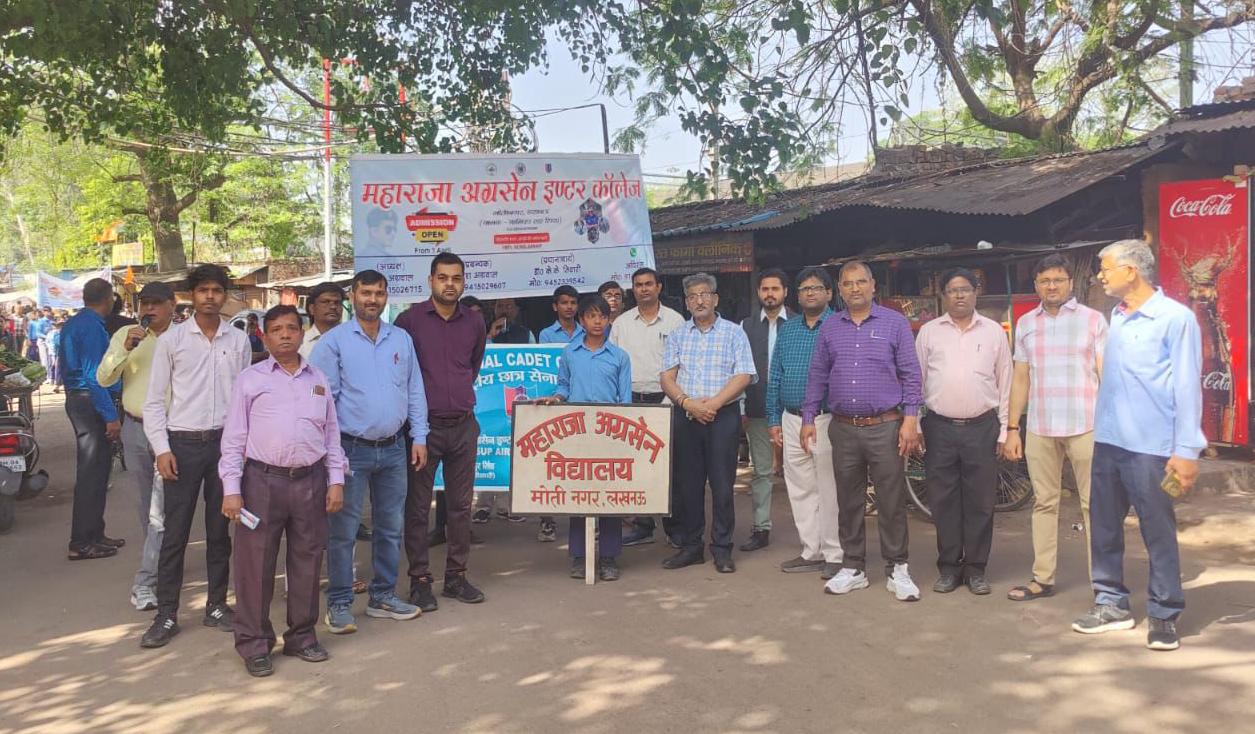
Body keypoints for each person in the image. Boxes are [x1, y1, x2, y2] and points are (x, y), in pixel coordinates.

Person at [1071, 240, 1205, 652]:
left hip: (1151, 448)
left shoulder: (1175, 319)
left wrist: (1187, 450)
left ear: (1131, 271)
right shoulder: (1118, 316)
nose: (1100, 275)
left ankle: (1164, 612)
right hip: (1108, 441)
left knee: (1157, 530)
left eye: (1106, 268)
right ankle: (1111, 603)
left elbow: (1188, 387)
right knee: (1104, 528)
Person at [218, 305, 347, 677]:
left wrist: (336, 480)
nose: (286, 335)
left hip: (310, 481)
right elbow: (234, 438)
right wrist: (231, 489)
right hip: (261, 482)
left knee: (307, 560)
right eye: (277, 329)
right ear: (265, 335)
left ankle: (302, 636)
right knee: (255, 565)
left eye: (292, 328)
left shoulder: (318, 379)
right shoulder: (250, 380)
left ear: (303, 333)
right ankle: (255, 643)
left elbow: (331, 435)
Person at [310, 269, 430, 635]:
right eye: (365, 293)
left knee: (390, 527)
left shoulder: (401, 339)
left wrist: (420, 436)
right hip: (350, 450)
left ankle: (382, 597)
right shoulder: (333, 343)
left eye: (378, 293)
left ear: (386, 296)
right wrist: (330, 455)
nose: (372, 299)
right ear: (353, 296)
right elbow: (323, 403)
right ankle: (339, 604)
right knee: (343, 532)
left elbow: (414, 389)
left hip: (394, 449)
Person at [140, 264, 253, 649]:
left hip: (224, 445)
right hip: (182, 445)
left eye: (216, 290)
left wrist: (241, 451)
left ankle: (217, 605)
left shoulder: (238, 341)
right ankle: (166, 614)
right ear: (191, 295)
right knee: (175, 533)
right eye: (203, 290)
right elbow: (154, 402)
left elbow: (244, 401)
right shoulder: (172, 340)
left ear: (225, 296)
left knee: (220, 530)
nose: (210, 297)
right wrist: (162, 449)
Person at [801, 261, 923, 602]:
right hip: (843, 428)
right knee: (848, 500)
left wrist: (911, 419)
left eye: (860, 282)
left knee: (891, 500)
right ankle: (853, 567)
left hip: (885, 426)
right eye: (848, 283)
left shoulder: (894, 323)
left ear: (873, 286)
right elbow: (818, 374)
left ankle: (897, 568)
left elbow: (911, 374)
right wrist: (809, 417)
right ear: (839, 290)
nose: (854, 288)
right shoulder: (831, 327)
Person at [1003, 255, 1107, 602]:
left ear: (1070, 283)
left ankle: (1104, 584)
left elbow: (1106, 373)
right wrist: (1013, 427)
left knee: (1094, 505)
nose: (1052, 286)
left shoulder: (1093, 320)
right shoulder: (1026, 323)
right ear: (1036, 285)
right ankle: (1042, 578)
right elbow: (1021, 378)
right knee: (1044, 503)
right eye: (1045, 280)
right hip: (1041, 426)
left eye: (1058, 280)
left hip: (1086, 424)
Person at [394, 252, 488, 612]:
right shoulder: (410, 321)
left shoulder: (474, 322)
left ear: (463, 282)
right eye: (443, 277)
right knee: (418, 508)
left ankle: (456, 577)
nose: (450, 284)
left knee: (461, 507)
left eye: (456, 278)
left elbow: (473, 365)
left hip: (463, 426)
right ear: (431, 280)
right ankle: (419, 580)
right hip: (423, 430)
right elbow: (400, 372)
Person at [915, 268, 1012, 596]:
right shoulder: (929, 332)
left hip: (982, 427)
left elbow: (1006, 381)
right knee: (943, 501)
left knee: (981, 502)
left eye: (965, 289)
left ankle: (976, 569)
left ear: (976, 292)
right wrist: (916, 423)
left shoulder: (994, 332)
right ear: (943, 295)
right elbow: (916, 381)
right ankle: (948, 568)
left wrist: (1005, 431)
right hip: (939, 427)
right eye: (953, 290)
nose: (959, 295)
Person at [660, 273, 756, 573]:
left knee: (723, 485)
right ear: (687, 303)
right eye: (693, 296)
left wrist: (712, 405)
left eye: (704, 294)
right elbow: (667, 377)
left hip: (722, 416)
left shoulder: (734, 333)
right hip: (686, 415)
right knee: (688, 485)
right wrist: (687, 403)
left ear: (715, 299)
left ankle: (722, 548)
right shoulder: (677, 334)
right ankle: (691, 547)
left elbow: (743, 375)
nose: (699, 300)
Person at [97, 281, 177, 611]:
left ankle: (147, 578)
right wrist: (125, 349)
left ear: (173, 305)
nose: (150, 309)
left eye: (157, 303)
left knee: (161, 508)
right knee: (146, 504)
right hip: (134, 428)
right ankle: (158, 559)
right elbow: (103, 378)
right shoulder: (126, 335)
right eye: (145, 303)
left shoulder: (183, 337)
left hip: (170, 434)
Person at [540, 294, 632, 580]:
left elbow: (625, 400)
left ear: (608, 320)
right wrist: (556, 398)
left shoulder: (620, 357)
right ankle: (580, 556)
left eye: (602, 316)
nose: (597, 322)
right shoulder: (569, 353)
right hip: (577, 432)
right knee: (579, 494)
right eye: (591, 316)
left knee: (610, 496)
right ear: (582, 320)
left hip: (610, 432)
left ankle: (609, 557)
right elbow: (563, 386)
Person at [766, 267, 843, 578]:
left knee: (829, 489)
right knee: (800, 489)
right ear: (796, 296)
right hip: (790, 418)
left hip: (826, 419)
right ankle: (811, 551)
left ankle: (835, 554)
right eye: (804, 289)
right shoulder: (788, 330)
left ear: (829, 293)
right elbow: (775, 375)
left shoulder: (839, 325)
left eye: (816, 288)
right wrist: (773, 419)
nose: (810, 293)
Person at [610, 268, 686, 547]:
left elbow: (684, 363)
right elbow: (613, 365)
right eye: (639, 285)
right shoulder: (621, 324)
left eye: (648, 284)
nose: (644, 289)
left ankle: (674, 528)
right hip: (631, 402)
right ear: (633, 289)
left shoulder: (676, 321)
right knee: (637, 467)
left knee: (670, 467)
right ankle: (643, 525)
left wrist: (672, 399)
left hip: (667, 401)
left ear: (659, 287)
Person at [61, 278, 123, 561]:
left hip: (81, 399)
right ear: (108, 299)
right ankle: (82, 542)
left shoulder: (77, 323)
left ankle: (95, 534)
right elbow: (94, 376)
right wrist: (110, 416)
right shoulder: (92, 327)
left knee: (98, 472)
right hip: (89, 402)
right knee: (91, 473)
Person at [739, 268, 793, 552]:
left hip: (795, 409)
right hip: (758, 406)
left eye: (775, 288)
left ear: (785, 292)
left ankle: (813, 534)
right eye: (765, 289)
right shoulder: (746, 326)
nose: (770, 294)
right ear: (759, 292)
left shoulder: (799, 323)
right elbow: (738, 369)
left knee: (802, 471)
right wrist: (741, 406)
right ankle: (761, 528)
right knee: (761, 471)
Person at [535, 284, 583, 541]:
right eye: (564, 302)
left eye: (573, 302)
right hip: (554, 401)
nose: (569, 307)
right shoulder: (546, 335)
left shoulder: (587, 331)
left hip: (581, 402)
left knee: (580, 463)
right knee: (550, 463)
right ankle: (547, 521)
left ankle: (586, 519)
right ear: (555, 306)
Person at [300, 282, 346, 359]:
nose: (333, 306)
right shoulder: (300, 343)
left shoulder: (353, 341)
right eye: (325, 302)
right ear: (312, 308)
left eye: (337, 303)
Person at [46, 319, 63, 391]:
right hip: (59, 353)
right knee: (58, 368)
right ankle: (57, 385)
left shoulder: (68, 333)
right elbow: (56, 344)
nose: (61, 327)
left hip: (68, 354)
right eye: (59, 326)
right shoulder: (55, 334)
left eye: (62, 325)